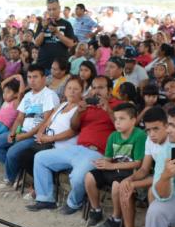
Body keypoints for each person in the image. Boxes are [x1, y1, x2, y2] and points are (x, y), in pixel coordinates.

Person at [29, 76, 118, 213]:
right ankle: (45, 199)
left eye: (101, 88)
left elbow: (122, 129)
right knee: (40, 158)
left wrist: (109, 110)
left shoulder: (117, 105)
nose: (96, 91)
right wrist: (79, 111)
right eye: (93, 87)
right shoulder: (88, 105)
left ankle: (74, 203)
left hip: (97, 152)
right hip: (77, 148)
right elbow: (74, 126)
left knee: (77, 177)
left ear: (110, 90)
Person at [0, 64, 60, 188]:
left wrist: (24, 135)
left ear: (44, 78)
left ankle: (10, 178)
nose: (32, 80)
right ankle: (17, 172)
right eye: (29, 77)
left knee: (12, 152)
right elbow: (20, 118)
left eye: (35, 77)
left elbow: (45, 121)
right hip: (22, 132)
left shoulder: (50, 95)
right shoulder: (27, 96)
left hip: (36, 136)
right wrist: (14, 132)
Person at [107, 107, 168, 227]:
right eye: (148, 130)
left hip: (171, 181)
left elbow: (169, 175)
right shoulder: (149, 141)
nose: (151, 134)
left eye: (156, 129)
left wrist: (134, 184)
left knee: (152, 192)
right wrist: (130, 180)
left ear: (167, 126)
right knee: (124, 184)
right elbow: (144, 169)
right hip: (157, 175)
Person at [84, 103, 146, 227]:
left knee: (116, 185)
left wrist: (111, 166)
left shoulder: (140, 135)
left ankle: (116, 218)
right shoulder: (113, 136)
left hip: (129, 172)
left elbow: (138, 163)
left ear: (133, 120)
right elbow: (108, 158)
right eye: (116, 119)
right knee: (89, 177)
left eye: (122, 119)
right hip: (113, 169)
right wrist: (102, 163)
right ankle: (96, 210)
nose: (117, 122)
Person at [33, 0, 77, 72]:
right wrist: (44, 28)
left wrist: (57, 33)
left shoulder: (66, 24)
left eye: (54, 9)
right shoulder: (42, 23)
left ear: (59, 8)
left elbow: (71, 44)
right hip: (43, 64)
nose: (52, 12)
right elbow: (37, 43)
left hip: (60, 66)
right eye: (49, 9)